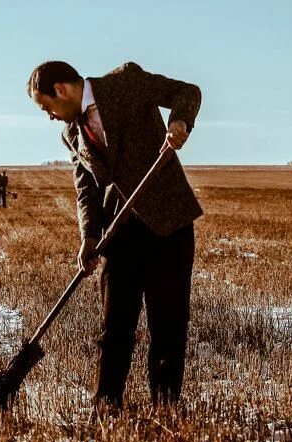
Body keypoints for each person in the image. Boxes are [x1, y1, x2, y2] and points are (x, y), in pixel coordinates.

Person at [27, 61, 202, 408]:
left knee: (168, 328)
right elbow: (86, 189)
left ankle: (165, 408)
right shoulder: (72, 134)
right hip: (120, 232)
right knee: (115, 328)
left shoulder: (125, 82)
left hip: (169, 223)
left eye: (46, 106)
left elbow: (187, 92)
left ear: (61, 90)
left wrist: (179, 122)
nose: (49, 116)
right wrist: (88, 236)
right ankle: (106, 407)